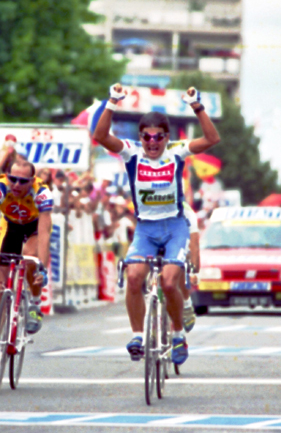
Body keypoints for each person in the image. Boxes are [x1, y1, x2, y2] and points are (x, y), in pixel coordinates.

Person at [93, 84, 220, 365]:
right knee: (134, 277)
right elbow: (100, 135)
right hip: (145, 229)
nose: (152, 142)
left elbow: (212, 138)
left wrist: (197, 107)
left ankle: (177, 334)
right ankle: (138, 335)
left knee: (169, 281)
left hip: (174, 226)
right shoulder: (131, 152)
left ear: (167, 137)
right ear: (140, 137)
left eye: (158, 137)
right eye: (147, 137)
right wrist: (112, 102)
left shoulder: (176, 151)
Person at [0, 160, 53, 372]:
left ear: (32, 181)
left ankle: (34, 302)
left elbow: (44, 234)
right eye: (12, 178)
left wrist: (41, 266)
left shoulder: (41, 193)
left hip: (34, 228)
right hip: (11, 226)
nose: (16, 184)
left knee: (30, 255)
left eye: (22, 181)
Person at [178, 201, 199, 332]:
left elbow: (194, 243)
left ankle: (186, 304)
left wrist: (194, 272)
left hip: (182, 239)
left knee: (180, 265)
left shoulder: (187, 212)